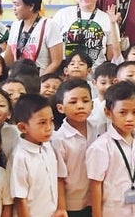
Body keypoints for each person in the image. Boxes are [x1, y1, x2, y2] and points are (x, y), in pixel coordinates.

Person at [86, 81, 135, 217]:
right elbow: (96, 185)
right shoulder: (101, 146)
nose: (130, 118)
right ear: (108, 113)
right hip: (113, 212)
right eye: (123, 112)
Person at [52, 79, 105, 216]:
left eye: (85, 101)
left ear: (92, 105)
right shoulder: (59, 138)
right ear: (60, 108)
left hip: (98, 199)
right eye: (73, 102)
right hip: (72, 204)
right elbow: (59, 178)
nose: (80, 106)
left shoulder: (98, 129)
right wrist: (62, 208)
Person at [7, 94, 64, 217]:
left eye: (51, 120)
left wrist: (60, 209)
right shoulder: (20, 157)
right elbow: (20, 198)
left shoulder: (48, 146)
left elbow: (57, 179)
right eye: (42, 123)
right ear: (23, 127)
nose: (49, 127)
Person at [53, 0, 122, 70]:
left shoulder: (107, 19)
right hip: (66, 77)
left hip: (96, 79)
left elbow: (111, 56)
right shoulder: (62, 15)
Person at [4, 0, 63, 75]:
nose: (13, 8)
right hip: (17, 83)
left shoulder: (49, 25)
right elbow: (8, 60)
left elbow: (56, 62)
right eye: (13, 4)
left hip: (40, 84)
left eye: (17, 4)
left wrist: (39, 82)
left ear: (31, 6)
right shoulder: (15, 26)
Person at [89, 62, 117, 128]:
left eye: (112, 83)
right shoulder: (91, 105)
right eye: (103, 83)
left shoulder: (120, 104)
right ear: (94, 82)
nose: (108, 87)